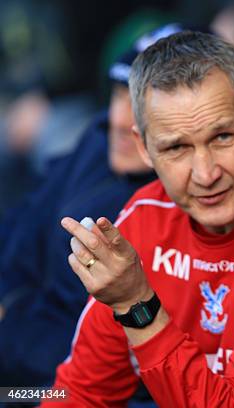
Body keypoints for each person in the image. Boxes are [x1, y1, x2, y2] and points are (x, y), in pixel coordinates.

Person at [47, 31, 234, 407]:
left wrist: (137, 306)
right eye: (176, 148)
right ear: (144, 148)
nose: (205, 174)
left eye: (222, 137)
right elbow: (82, 391)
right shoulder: (144, 216)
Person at [0, 38, 158, 386]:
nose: (118, 119)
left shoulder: (168, 205)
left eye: (139, 102)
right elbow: (24, 215)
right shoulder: (98, 139)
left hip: (44, 379)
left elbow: (105, 366)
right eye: (118, 95)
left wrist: (8, 326)